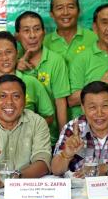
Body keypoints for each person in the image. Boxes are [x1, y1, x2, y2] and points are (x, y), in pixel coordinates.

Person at [0, 75, 52, 187]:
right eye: (2, 96)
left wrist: (15, 178)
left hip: (26, 189)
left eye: (16, 96)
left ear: (25, 101)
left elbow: (43, 163)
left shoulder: (37, 122)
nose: (9, 102)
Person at [15, 11, 70, 145]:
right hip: (16, 138)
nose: (32, 35)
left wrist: (63, 140)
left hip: (48, 137)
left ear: (44, 32)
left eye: (37, 29)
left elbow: (60, 103)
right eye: (26, 31)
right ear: (17, 36)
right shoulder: (11, 60)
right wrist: (14, 67)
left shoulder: (55, 60)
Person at [43, 0, 97, 65]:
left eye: (71, 7)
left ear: (79, 11)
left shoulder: (94, 39)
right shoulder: (43, 42)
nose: (65, 12)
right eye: (59, 8)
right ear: (51, 14)